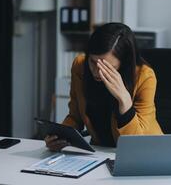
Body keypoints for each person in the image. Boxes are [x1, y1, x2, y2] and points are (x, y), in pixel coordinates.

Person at [45, 23, 163, 151]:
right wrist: (59, 137)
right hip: (100, 151)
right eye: (93, 62)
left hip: (146, 151)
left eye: (107, 67)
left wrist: (124, 100)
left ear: (124, 63)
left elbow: (136, 144)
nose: (96, 71)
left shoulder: (144, 77)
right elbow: (75, 117)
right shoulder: (80, 66)